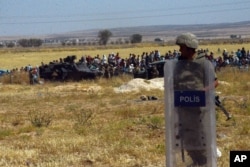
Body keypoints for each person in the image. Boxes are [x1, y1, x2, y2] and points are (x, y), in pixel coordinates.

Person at [174, 32, 218, 166]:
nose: (180, 50)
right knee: (186, 135)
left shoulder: (203, 64)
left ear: (189, 47)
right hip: (183, 106)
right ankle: (196, 161)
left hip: (200, 107)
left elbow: (215, 82)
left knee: (201, 135)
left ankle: (205, 161)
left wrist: (203, 91)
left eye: (182, 47)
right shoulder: (179, 64)